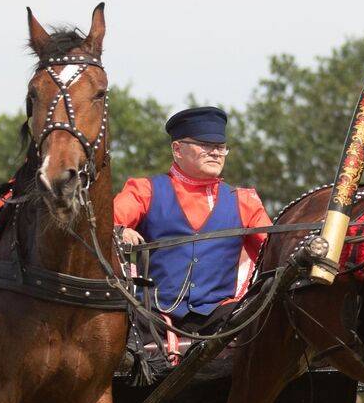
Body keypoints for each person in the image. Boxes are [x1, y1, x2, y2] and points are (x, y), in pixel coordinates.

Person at [113, 106, 271, 334]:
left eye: (221, 147)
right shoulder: (144, 190)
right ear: (177, 149)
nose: (216, 153)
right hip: (150, 316)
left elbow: (273, 250)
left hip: (219, 316)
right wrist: (119, 230)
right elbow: (104, 225)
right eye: (206, 145)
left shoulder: (244, 200)